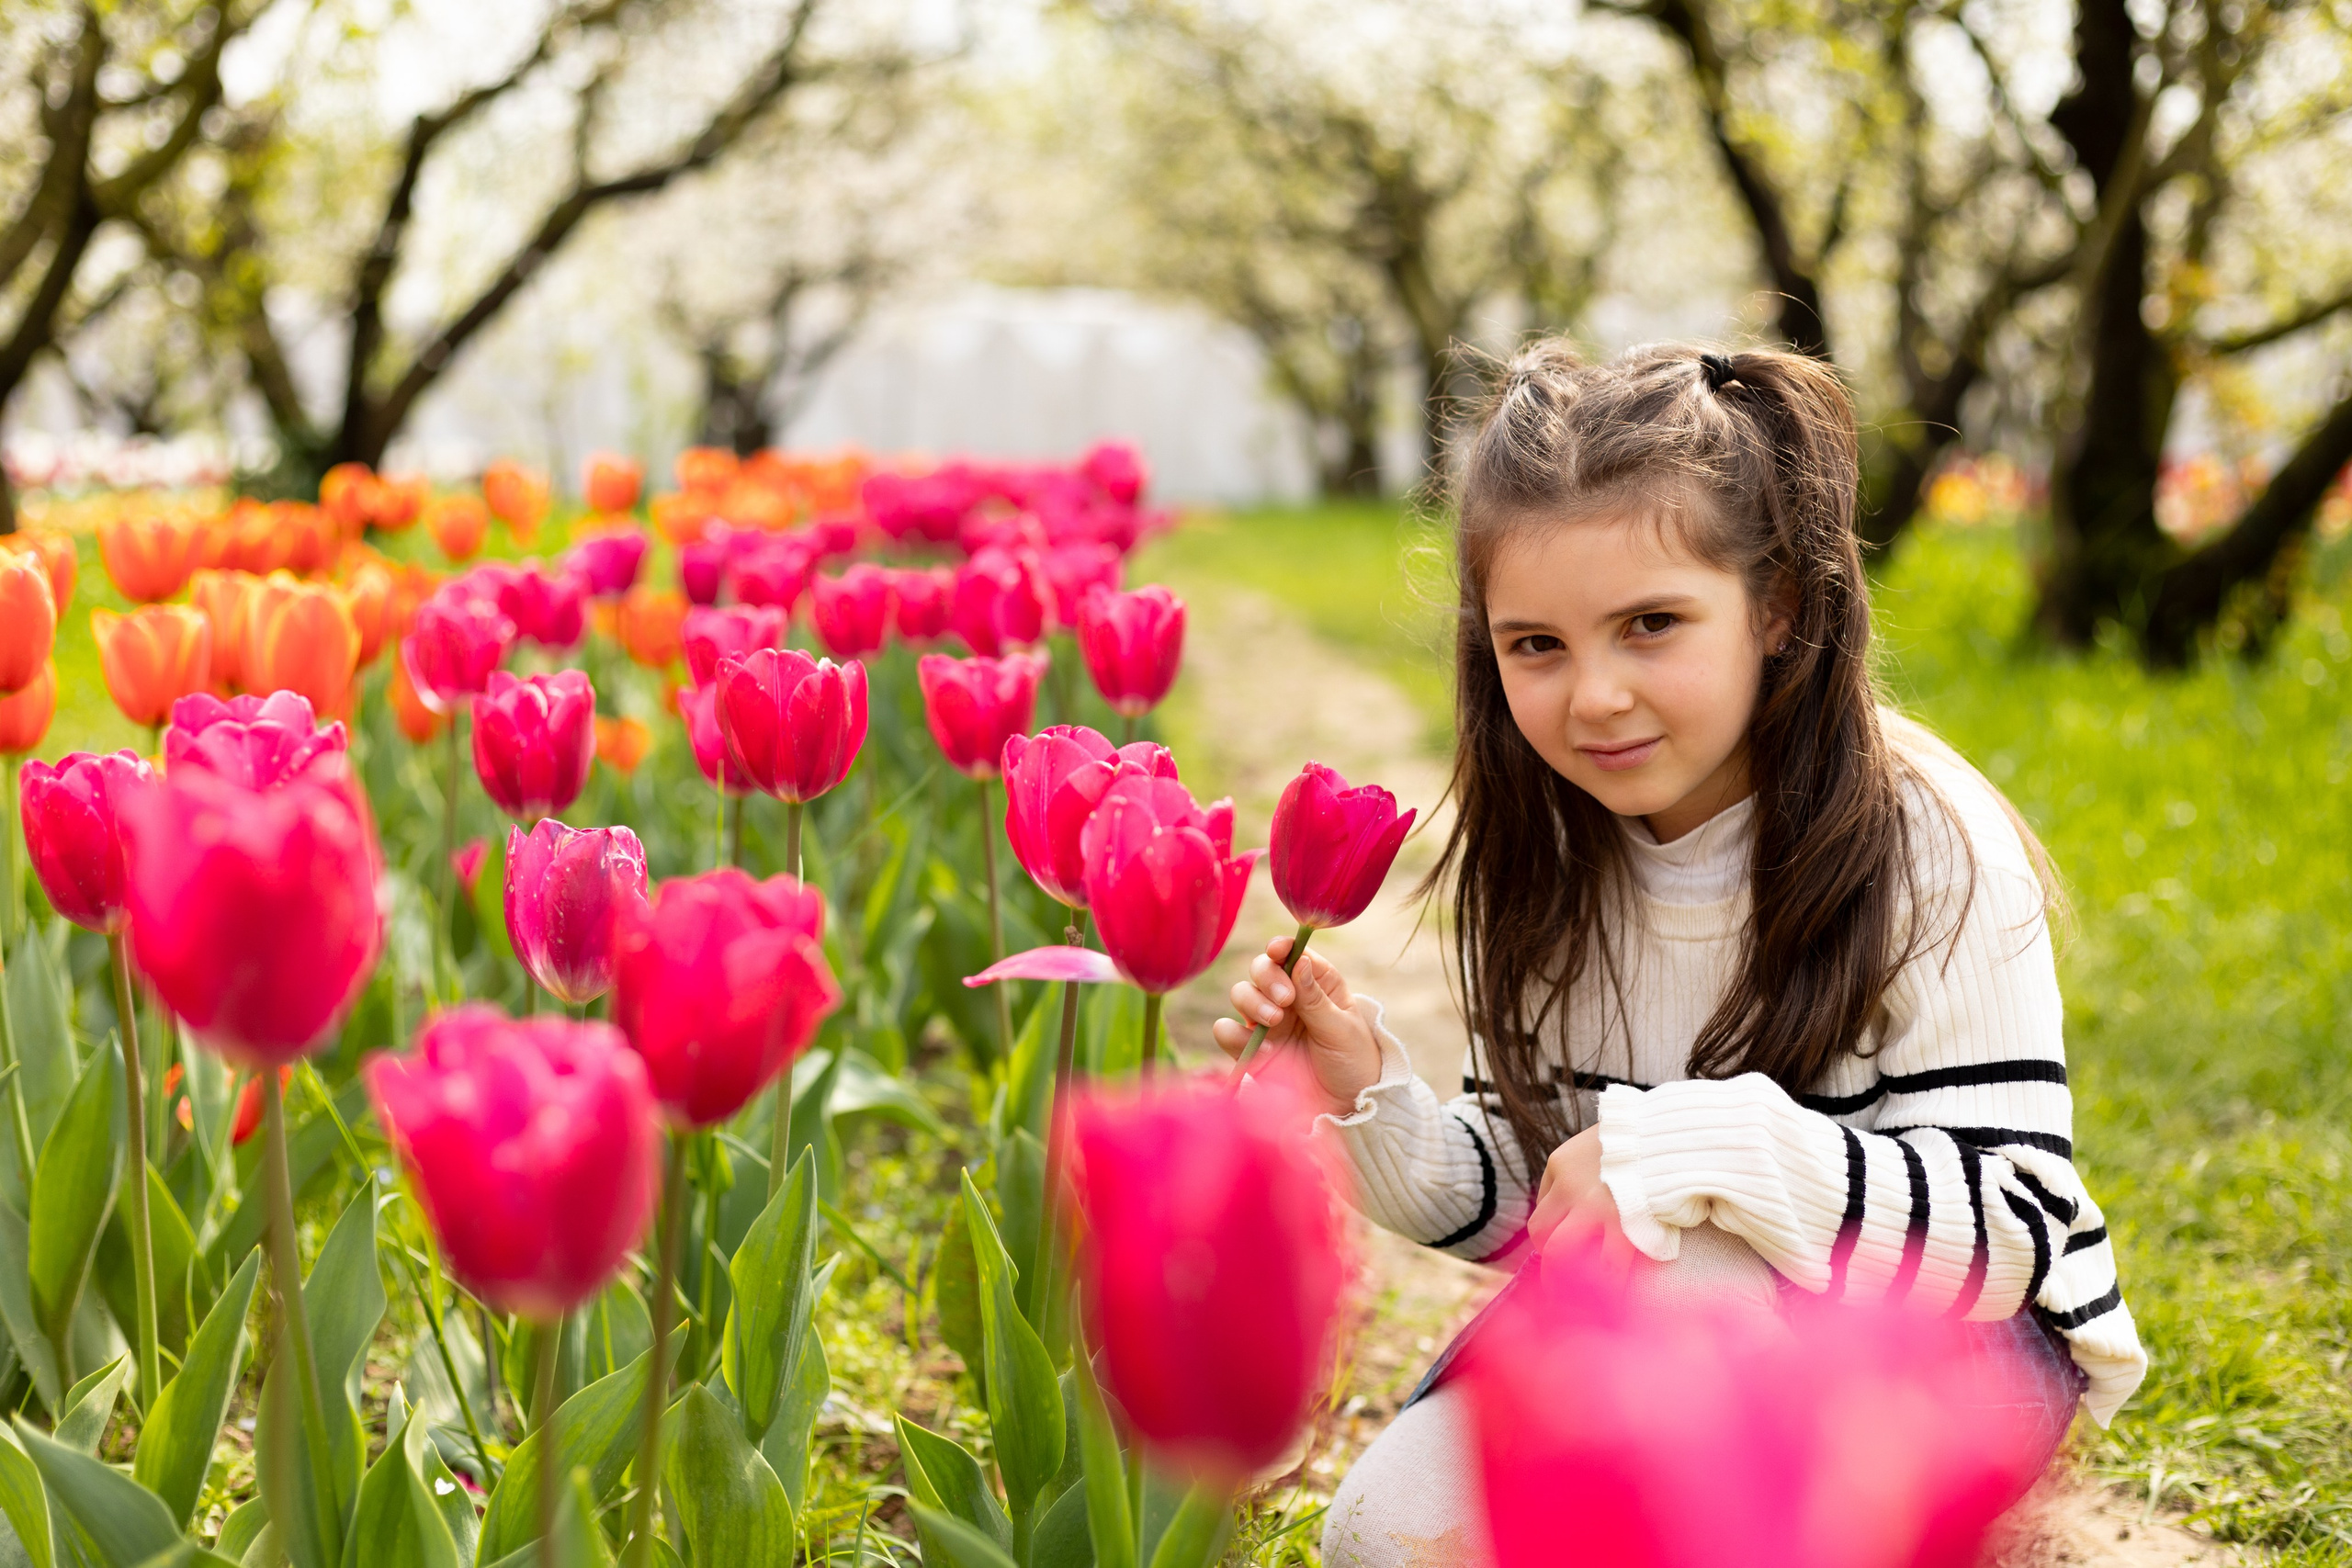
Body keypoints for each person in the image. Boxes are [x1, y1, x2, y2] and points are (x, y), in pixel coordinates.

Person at [1214, 342, 2148, 1567]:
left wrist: (1687, 1148)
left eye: (1650, 625)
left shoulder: (1922, 836)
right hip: (1666, 1312)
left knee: (1685, 1478)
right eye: (1535, 645)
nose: (1593, 696)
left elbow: (2012, 1230)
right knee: (1386, 1539)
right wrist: (1369, 1104)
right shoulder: (1551, 851)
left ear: (1779, 606)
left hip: (1937, 1339)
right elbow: (1541, 1208)